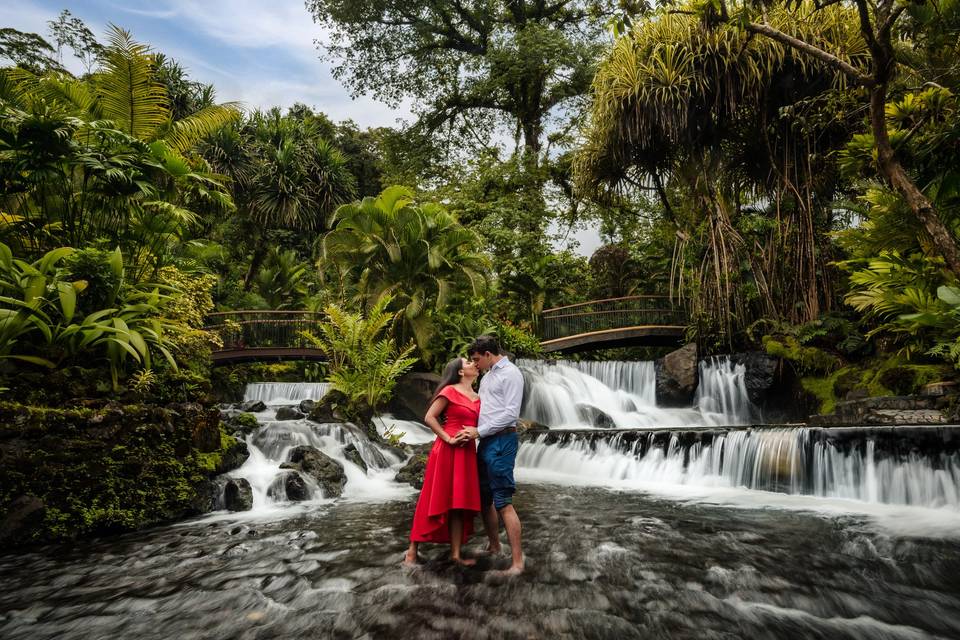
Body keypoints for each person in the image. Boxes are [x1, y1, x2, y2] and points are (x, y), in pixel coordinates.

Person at [404, 357, 482, 566]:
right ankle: (412, 549)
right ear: (459, 372)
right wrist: (447, 438)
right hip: (447, 449)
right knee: (433, 496)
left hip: (466, 453)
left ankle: (456, 554)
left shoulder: (477, 397)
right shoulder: (449, 391)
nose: (474, 364)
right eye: (468, 363)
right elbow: (430, 417)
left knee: (459, 503)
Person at [464, 335, 525, 575]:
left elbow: (511, 413)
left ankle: (518, 562)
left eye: (477, 359)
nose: (475, 364)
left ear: (488, 354)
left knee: (503, 502)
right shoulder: (487, 377)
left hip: (502, 440)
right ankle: (495, 546)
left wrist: (478, 431)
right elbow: (483, 409)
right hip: (486, 441)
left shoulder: (511, 374)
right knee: (484, 498)